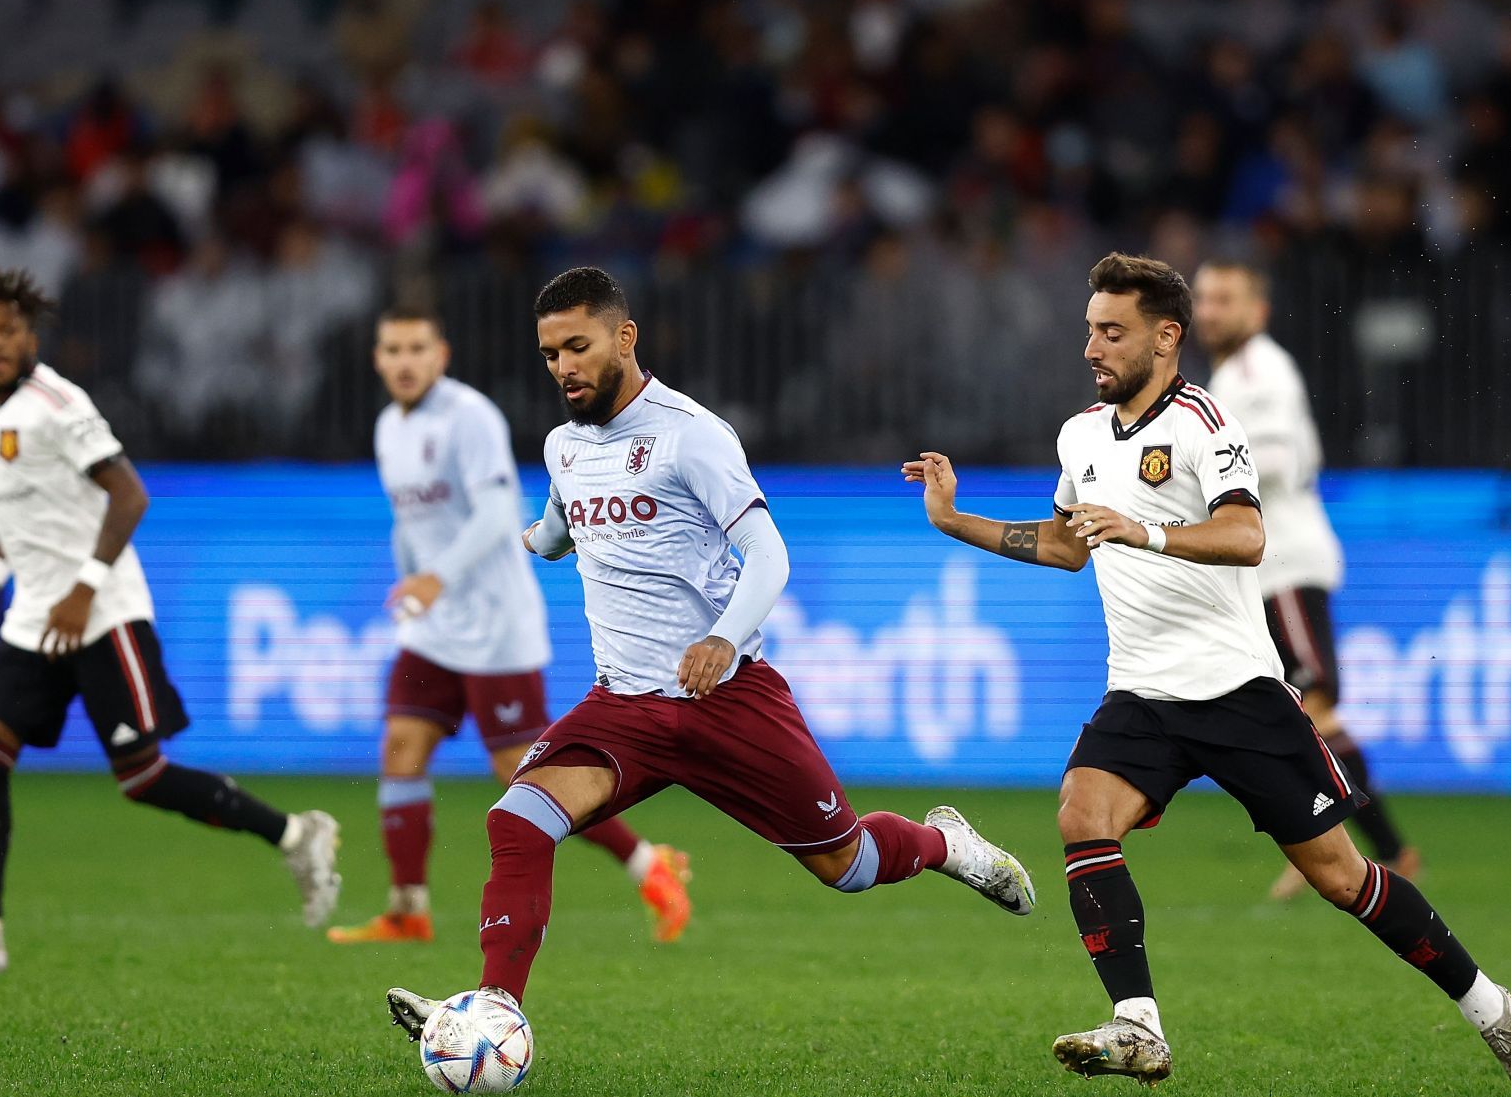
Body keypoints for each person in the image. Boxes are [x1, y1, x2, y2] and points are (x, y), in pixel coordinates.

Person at [903, 253, 1511, 1094]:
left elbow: (1247, 537)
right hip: (1141, 691)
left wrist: (1147, 533)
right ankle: (1137, 1025)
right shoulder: (1081, 435)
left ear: (1165, 338)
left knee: (1341, 877)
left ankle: (1493, 1010)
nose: (1093, 349)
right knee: (1081, 813)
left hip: (1238, 692)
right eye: (1090, 331)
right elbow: (1068, 544)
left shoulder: (1208, 423)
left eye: (1113, 333)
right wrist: (955, 520)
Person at [384, 267, 1036, 1045]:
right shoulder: (563, 447)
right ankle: (495, 1007)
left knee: (849, 865)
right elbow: (557, 532)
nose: (563, 368)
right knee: (517, 819)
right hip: (622, 708)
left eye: (578, 347)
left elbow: (768, 555)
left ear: (624, 338)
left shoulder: (691, 434)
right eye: (551, 353)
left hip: (726, 702)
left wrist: (724, 636)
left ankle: (943, 844)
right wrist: (522, 542)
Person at [0, 269, 342, 975]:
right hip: (36, 616)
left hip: (102, 613)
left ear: (30, 336)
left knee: (143, 778)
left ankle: (296, 833)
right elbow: (22, 518)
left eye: (9, 329)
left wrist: (84, 587)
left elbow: (129, 496)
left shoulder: (59, 404)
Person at [329, 302, 693, 946]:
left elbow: (500, 511)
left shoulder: (469, 419)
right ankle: (407, 907)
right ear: (378, 360)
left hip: (494, 629)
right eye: (392, 351)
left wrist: (437, 576)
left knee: (522, 775)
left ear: (439, 356)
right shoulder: (390, 427)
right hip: (433, 628)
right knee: (400, 750)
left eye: (417, 349)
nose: (405, 362)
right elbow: (411, 522)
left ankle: (649, 863)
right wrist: (416, 583)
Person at [1192, 259, 1420, 899]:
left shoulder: (1259, 372)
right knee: (1304, 710)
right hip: (1266, 569)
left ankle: (1335, 840)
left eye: (1224, 299)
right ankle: (1382, 845)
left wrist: (1192, 483)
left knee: (1308, 704)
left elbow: (1277, 464)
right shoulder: (1234, 374)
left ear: (1256, 310)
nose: (1208, 311)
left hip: (1285, 563)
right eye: (1204, 298)